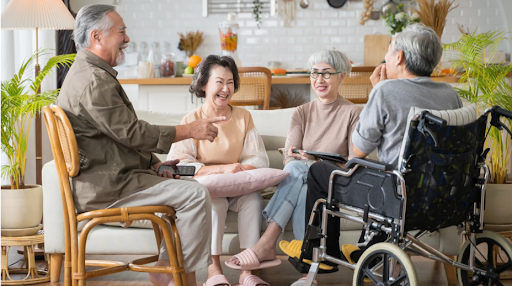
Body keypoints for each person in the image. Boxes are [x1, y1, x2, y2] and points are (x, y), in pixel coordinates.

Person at [58, 5, 225, 286]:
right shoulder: (93, 82)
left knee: (187, 190)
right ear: (97, 37)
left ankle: (168, 267)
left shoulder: (89, 73)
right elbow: (132, 133)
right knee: (195, 195)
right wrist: (189, 130)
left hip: (112, 179)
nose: (127, 38)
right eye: (121, 31)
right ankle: (181, 276)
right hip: (110, 187)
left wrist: (154, 164)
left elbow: (115, 139)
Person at [302, 23, 463, 265]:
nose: (385, 57)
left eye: (388, 51)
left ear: (399, 57)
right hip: (440, 194)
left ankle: (324, 253)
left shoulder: (386, 91)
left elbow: (358, 150)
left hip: (395, 193)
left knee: (319, 171)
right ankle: (369, 251)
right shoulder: (450, 94)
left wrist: (376, 92)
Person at [225, 49, 362, 285]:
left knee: (302, 172)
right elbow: (289, 159)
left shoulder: (353, 113)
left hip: (334, 183)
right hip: (304, 182)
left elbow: (351, 163)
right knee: (300, 175)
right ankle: (307, 276)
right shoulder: (301, 112)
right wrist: (302, 162)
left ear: (342, 76)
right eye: (314, 73)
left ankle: (269, 242)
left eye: (326, 74)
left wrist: (313, 163)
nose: (319, 80)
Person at [168, 55, 270, 286]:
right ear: (203, 85)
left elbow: (259, 157)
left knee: (253, 200)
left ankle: (248, 271)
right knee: (215, 203)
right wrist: (222, 169)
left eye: (231, 82)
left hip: (239, 188)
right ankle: (214, 270)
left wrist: (238, 170)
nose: (226, 88)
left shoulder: (244, 117)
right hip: (209, 190)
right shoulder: (191, 120)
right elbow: (178, 165)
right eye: (219, 82)